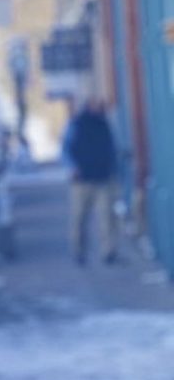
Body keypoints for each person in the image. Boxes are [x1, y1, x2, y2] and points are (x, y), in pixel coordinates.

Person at [67, 97, 119, 265]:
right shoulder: (76, 124)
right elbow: (65, 148)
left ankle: (108, 251)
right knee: (80, 218)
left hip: (103, 178)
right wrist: (72, 167)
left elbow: (111, 148)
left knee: (106, 217)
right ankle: (79, 251)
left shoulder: (104, 125)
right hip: (82, 180)